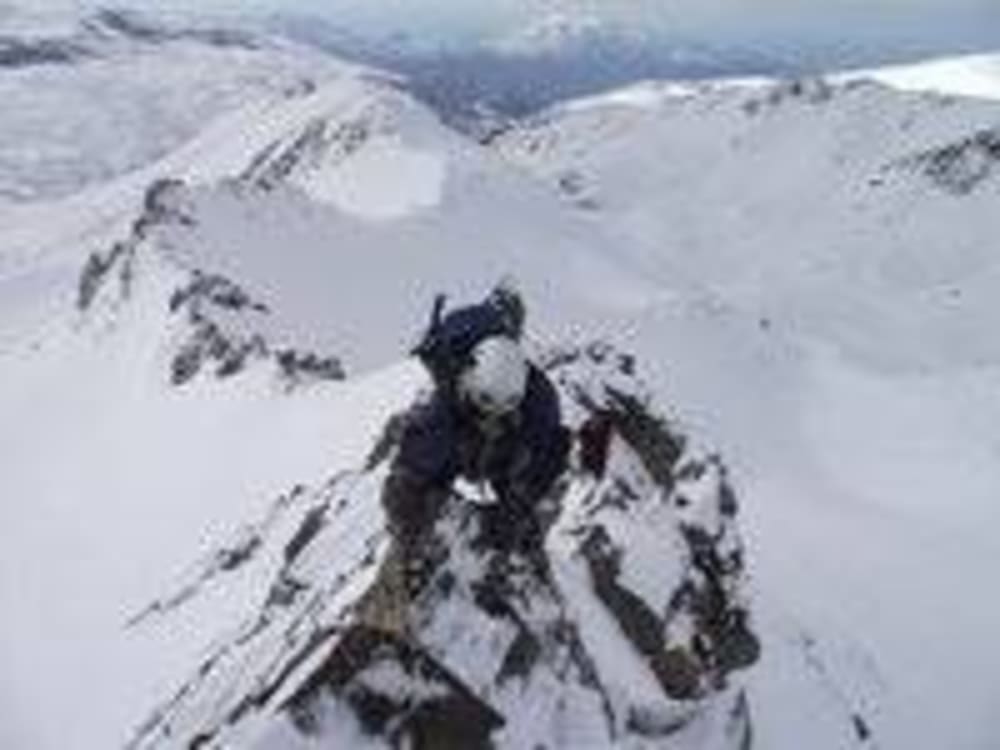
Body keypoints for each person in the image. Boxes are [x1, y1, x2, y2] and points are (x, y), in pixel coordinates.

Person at [382, 283, 570, 570]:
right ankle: (426, 553)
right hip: (463, 439)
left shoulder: (538, 399)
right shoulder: (442, 416)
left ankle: (516, 559)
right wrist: (411, 540)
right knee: (419, 488)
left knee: (518, 512)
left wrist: (517, 506)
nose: (491, 418)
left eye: (501, 411)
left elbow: (550, 453)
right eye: (485, 407)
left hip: (502, 447)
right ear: (467, 383)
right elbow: (407, 479)